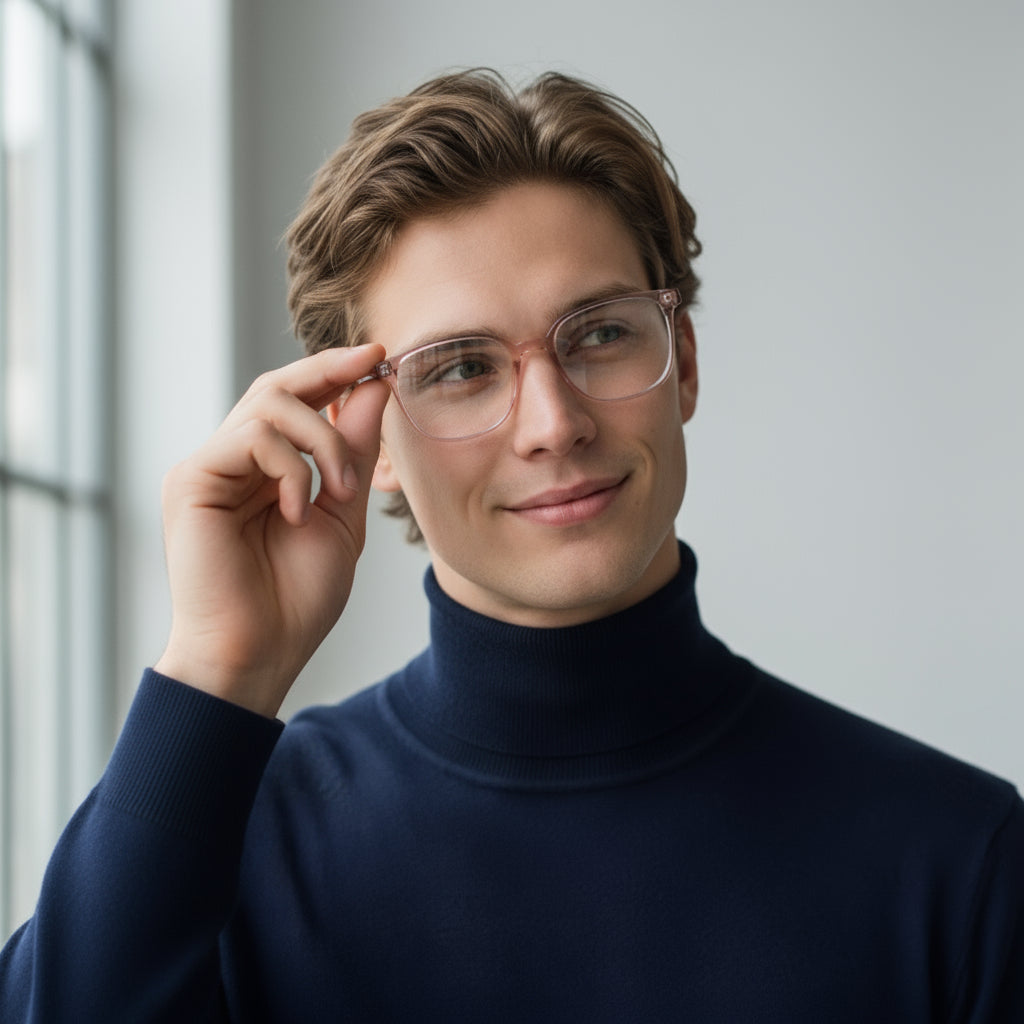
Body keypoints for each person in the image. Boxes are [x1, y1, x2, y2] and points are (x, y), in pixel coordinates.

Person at [1, 69, 1022, 1023]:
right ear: (370, 438)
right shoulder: (217, 850)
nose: (551, 422)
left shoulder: (960, 860)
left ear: (687, 362)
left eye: (599, 333)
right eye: (458, 368)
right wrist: (218, 667)